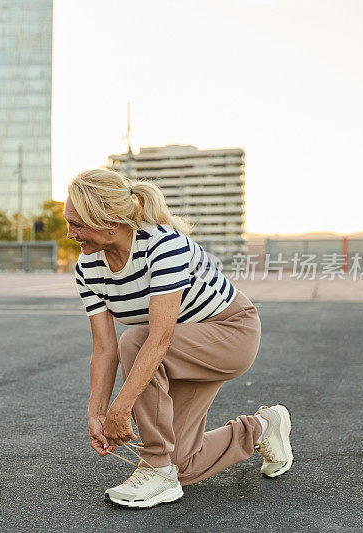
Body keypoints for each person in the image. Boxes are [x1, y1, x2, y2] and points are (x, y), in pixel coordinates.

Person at [65, 169, 293, 509]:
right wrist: (96, 413)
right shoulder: (88, 269)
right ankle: (262, 427)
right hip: (183, 348)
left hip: (231, 333)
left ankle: (155, 466)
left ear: (111, 221)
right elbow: (103, 348)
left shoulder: (163, 245)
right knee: (182, 464)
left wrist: (121, 408)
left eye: (78, 224)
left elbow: (159, 338)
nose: (70, 234)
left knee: (136, 342)